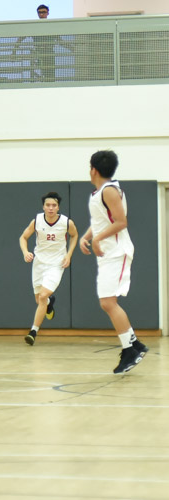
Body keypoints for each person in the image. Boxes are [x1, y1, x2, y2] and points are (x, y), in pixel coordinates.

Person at [79, 150, 148, 374]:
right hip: (108, 253)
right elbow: (102, 220)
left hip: (117, 251)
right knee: (106, 302)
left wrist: (97, 238)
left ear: (93, 169)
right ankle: (133, 345)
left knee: (108, 302)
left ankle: (131, 348)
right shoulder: (99, 192)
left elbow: (121, 222)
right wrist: (87, 236)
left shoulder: (109, 191)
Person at [19, 192, 78, 345]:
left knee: (43, 296)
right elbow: (23, 237)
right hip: (39, 263)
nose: (51, 208)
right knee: (39, 299)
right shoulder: (37, 220)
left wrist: (69, 254)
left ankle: (33, 331)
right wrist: (25, 252)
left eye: (54, 205)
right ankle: (50, 302)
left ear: (58, 207)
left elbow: (74, 235)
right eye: (48, 205)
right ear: (43, 206)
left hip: (56, 263)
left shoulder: (66, 222)